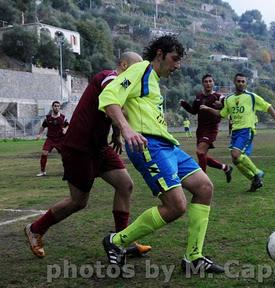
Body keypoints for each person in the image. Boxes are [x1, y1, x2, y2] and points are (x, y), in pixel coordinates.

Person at [98, 35, 224, 275]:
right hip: (149, 147)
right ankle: (116, 241)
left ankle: (193, 258)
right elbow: (108, 97)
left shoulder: (153, 80)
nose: (177, 65)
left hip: (168, 146)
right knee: (176, 205)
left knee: (205, 188)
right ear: (159, 53)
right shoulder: (141, 69)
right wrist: (125, 129)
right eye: (174, 59)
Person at [25, 52, 151, 259]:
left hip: (100, 147)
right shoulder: (108, 76)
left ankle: (121, 240)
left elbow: (112, 107)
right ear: (123, 64)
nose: (138, 73)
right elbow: (113, 105)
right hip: (79, 148)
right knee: (78, 202)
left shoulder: (121, 86)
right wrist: (127, 127)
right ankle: (35, 229)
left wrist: (117, 134)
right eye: (136, 68)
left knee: (125, 185)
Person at [200, 73, 275, 192]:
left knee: (235, 154)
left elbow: (268, 106)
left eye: (243, 81)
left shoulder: (251, 97)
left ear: (246, 83)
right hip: (235, 131)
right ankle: (254, 180)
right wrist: (208, 109)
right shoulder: (229, 99)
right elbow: (222, 114)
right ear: (234, 82)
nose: (241, 83)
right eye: (239, 81)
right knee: (235, 160)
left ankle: (258, 172)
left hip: (247, 130)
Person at [180, 74, 233, 182]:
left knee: (200, 152)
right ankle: (226, 168)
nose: (208, 83)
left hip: (211, 129)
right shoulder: (199, 96)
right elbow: (194, 111)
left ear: (213, 83)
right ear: (202, 83)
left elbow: (227, 104)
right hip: (200, 130)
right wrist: (184, 104)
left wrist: (222, 105)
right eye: (206, 81)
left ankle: (203, 180)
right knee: (202, 156)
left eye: (210, 81)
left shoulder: (219, 96)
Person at [36, 101, 69, 176]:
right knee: (44, 153)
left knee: (65, 155)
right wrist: (39, 134)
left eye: (58, 106)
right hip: (50, 139)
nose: (57, 107)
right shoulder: (48, 118)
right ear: (52, 107)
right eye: (55, 106)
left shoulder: (63, 117)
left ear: (60, 107)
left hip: (60, 139)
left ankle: (68, 171)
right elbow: (43, 126)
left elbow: (67, 125)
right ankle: (42, 171)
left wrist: (65, 129)